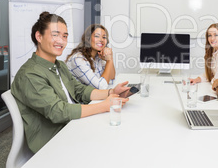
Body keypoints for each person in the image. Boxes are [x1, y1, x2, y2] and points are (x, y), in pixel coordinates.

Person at [11, 12, 130, 153]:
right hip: (54, 141)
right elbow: (58, 112)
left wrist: (111, 92)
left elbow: (79, 90)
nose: (61, 41)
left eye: (65, 36)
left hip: (73, 125)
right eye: (55, 35)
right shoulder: (30, 74)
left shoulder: (59, 65)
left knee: (121, 135)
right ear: (39, 37)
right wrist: (104, 105)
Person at [66, 24, 115, 89]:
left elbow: (111, 79)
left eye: (104, 37)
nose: (101, 40)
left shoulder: (98, 56)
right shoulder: (78, 59)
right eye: (97, 36)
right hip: (80, 98)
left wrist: (110, 59)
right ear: (88, 39)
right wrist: (109, 61)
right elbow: (101, 86)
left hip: (93, 96)